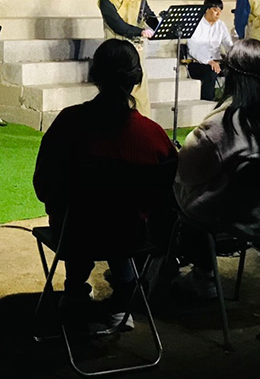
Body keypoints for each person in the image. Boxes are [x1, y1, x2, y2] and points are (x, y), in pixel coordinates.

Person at [33, 39, 177, 333]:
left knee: (86, 218)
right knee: (118, 222)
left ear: (95, 75)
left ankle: (74, 293)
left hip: (73, 232)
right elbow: (167, 194)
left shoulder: (68, 123)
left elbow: (43, 186)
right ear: (136, 79)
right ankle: (123, 300)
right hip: (132, 234)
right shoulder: (153, 135)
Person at [172, 39, 260, 295]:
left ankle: (200, 273)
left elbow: (185, 173)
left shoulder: (222, 124)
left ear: (231, 75)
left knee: (169, 193)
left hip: (226, 217)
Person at [98, 0, 158, 119]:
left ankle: (143, 122)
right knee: (116, 89)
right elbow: (118, 25)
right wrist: (141, 32)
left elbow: (150, 17)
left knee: (140, 88)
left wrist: (161, 25)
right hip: (116, 50)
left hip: (136, 49)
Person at [186, 0, 234, 102]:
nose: (218, 14)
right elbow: (193, 49)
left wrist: (235, 55)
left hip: (217, 62)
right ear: (207, 9)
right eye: (215, 10)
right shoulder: (195, 24)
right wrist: (209, 61)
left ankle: (230, 101)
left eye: (220, 11)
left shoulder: (221, 25)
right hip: (198, 63)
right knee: (211, 71)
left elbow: (228, 44)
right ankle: (207, 102)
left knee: (236, 70)